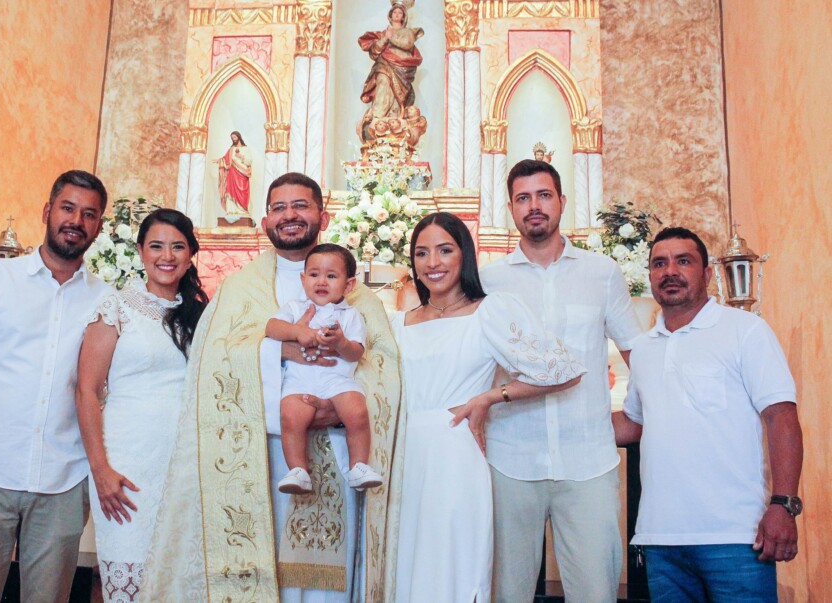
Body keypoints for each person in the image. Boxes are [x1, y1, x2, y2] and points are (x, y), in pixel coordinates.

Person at [140, 173, 403, 602]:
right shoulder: (240, 289)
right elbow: (215, 360)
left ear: (323, 216)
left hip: (340, 452)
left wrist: (338, 410)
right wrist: (283, 351)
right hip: (263, 455)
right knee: (267, 571)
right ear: (265, 222)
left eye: (300, 205)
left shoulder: (357, 296)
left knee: (327, 585)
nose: (289, 215)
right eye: (279, 207)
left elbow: (383, 369)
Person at [0, 170, 109, 602]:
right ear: (47, 211)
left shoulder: (106, 300)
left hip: (64, 480)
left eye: (88, 214)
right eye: (67, 208)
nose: (76, 221)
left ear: (99, 226)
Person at [393, 212, 586, 603]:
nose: (432, 263)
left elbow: (563, 370)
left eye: (445, 250)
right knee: (404, 569)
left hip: (454, 454)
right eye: (422, 253)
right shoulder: (397, 323)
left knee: (452, 568)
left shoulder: (489, 311)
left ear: (464, 255)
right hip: (401, 457)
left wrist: (490, 397)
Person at [479, 159, 644, 602]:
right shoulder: (488, 282)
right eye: (523, 198)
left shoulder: (601, 272)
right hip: (510, 460)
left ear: (562, 202)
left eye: (544, 195)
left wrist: (638, 415)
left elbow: (637, 353)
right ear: (510, 209)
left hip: (588, 459)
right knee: (506, 593)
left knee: (595, 591)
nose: (534, 206)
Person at [613, 227, 803, 602]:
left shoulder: (745, 331)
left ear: (707, 273)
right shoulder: (644, 349)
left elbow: (781, 417)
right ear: (650, 275)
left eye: (683, 261)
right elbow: (633, 423)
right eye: (659, 264)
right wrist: (565, 427)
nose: (670, 271)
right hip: (661, 541)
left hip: (736, 538)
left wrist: (784, 505)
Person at [75, 208, 208, 602]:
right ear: (140, 250)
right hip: (127, 468)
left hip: (184, 468)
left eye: (177, 247)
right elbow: (86, 391)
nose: (167, 256)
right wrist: (101, 470)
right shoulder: (116, 308)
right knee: (130, 581)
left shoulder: (200, 317)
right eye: (156, 246)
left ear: (190, 254)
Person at [266, 243, 382, 494]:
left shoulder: (350, 315)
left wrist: (341, 343)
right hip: (299, 380)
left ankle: (358, 466)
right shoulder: (295, 308)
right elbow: (272, 328)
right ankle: (298, 470)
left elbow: (357, 352)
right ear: (303, 279)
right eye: (314, 274)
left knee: (357, 412)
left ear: (349, 285)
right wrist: (297, 331)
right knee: (290, 417)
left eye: (331, 276)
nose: (321, 281)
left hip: (338, 380)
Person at [358, 0, 424, 133]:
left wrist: (391, 37)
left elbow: (407, 44)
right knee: (382, 82)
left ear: (404, 16)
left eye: (400, 12)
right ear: (390, 15)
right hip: (384, 65)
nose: (397, 14)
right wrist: (384, 38)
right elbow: (375, 51)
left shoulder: (407, 32)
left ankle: (394, 118)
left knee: (397, 95)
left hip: (402, 69)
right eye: (395, 12)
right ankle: (378, 117)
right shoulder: (384, 33)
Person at [216, 130, 253, 216]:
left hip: (242, 173)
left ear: (239, 137)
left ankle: (243, 211)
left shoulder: (246, 149)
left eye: (235, 137)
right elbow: (225, 159)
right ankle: (231, 211)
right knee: (230, 190)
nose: (233, 139)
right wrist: (220, 160)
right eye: (232, 138)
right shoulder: (231, 149)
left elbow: (249, 161)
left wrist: (241, 156)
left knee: (242, 191)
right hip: (232, 173)